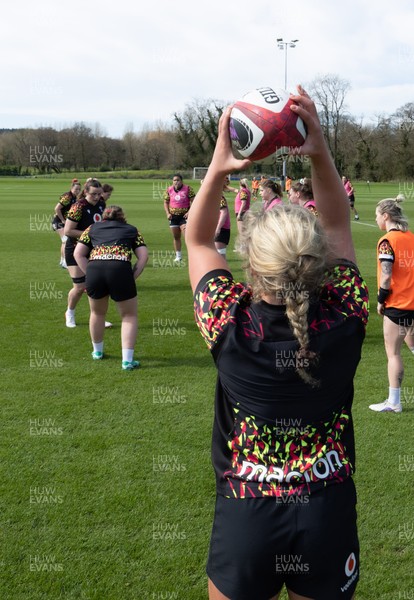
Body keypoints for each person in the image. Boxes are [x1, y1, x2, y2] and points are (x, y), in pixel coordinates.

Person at [185, 85, 368, 600]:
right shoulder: (346, 310)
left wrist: (220, 167)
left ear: (251, 262)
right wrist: (320, 152)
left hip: (248, 514)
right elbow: (336, 222)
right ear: (321, 263)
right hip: (326, 510)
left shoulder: (228, 319)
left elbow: (198, 241)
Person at [74, 205, 148, 371]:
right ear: (123, 217)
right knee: (129, 316)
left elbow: (78, 254)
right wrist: (132, 276)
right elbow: (143, 256)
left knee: (97, 313)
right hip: (120, 269)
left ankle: (97, 352)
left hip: (94, 269)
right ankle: (127, 361)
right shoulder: (131, 229)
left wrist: (89, 273)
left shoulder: (92, 228)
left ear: (103, 217)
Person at [369, 196, 414, 413]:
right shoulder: (411, 237)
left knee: (393, 353)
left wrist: (380, 300)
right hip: (412, 303)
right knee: (411, 343)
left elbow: (386, 276)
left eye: (377, 215)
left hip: (397, 304)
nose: (376, 219)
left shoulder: (387, 241)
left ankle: (394, 401)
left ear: (385, 216)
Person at [63, 178, 107, 328]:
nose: (97, 197)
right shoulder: (78, 206)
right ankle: (70, 313)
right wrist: (91, 234)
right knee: (80, 287)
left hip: (93, 250)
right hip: (75, 250)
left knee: (95, 285)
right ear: (86, 192)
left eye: (99, 194)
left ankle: (97, 317)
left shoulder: (102, 204)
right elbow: (68, 231)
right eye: (94, 194)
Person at [163, 174, 195, 263]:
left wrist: (189, 212)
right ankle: (178, 256)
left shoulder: (188, 189)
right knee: (176, 236)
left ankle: (192, 255)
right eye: (174, 180)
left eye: (177, 180)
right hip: (173, 217)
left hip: (184, 216)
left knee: (187, 236)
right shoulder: (169, 190)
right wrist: (167, 213)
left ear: (182, 181)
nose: (176, 182)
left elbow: (194, 201)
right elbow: (166, 202)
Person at [52, 179, 81, 268]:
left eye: (79, 189)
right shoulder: (68, 197)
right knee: (65, 240)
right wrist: (63, 220)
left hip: (62, 222)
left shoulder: (73, 197)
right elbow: (57, 208)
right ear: (71, 188)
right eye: (76, 189)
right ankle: (65, 262)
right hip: (58, 222)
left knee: (64, 241)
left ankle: (62, 261)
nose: (78, 191)